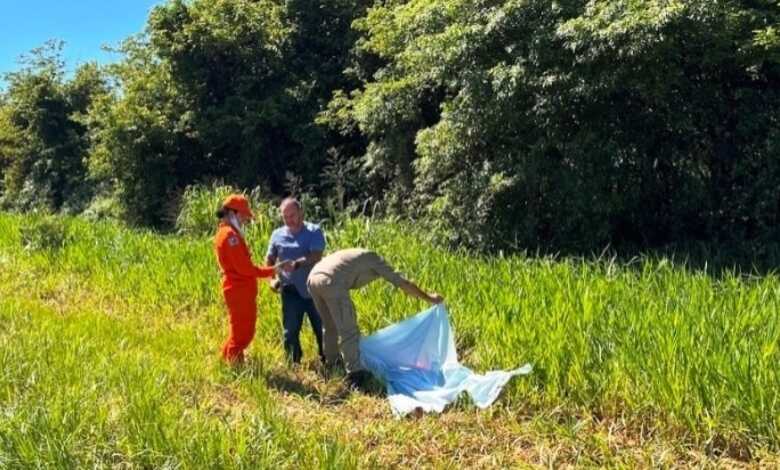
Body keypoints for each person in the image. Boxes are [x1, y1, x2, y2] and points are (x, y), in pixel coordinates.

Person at [307, 248, 444, 390]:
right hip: (331, 282)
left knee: (330, 326)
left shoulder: (356, 255)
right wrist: (429, 297)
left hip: (313, 280)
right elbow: (403, 283)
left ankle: (332, 365)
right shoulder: (374, 259)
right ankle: (355, 375)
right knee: (349, 330)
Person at [214, 194, 288, 364]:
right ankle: (233, 366)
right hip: (238, 291)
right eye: (244, 216)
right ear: (233, 213)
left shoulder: (226, 233)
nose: (245, 221)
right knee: (243, 335)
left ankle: (227, 361)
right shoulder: (230, 236)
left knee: (239, 331)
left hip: (239, 290)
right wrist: (272, 270)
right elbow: (244, 269)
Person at [266, 197, 326, 365]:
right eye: (285, 217)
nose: (289, 220)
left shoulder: (314, 231)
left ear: (301, 213)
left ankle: (328, 359)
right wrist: (272, 279)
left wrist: (297, 263)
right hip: (290, 290)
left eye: (292, 215)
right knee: (290, 331)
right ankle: (294, 363)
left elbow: (316, 255)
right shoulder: (277, 235)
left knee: (322, 328)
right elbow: (270, 260)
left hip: (314, 288)